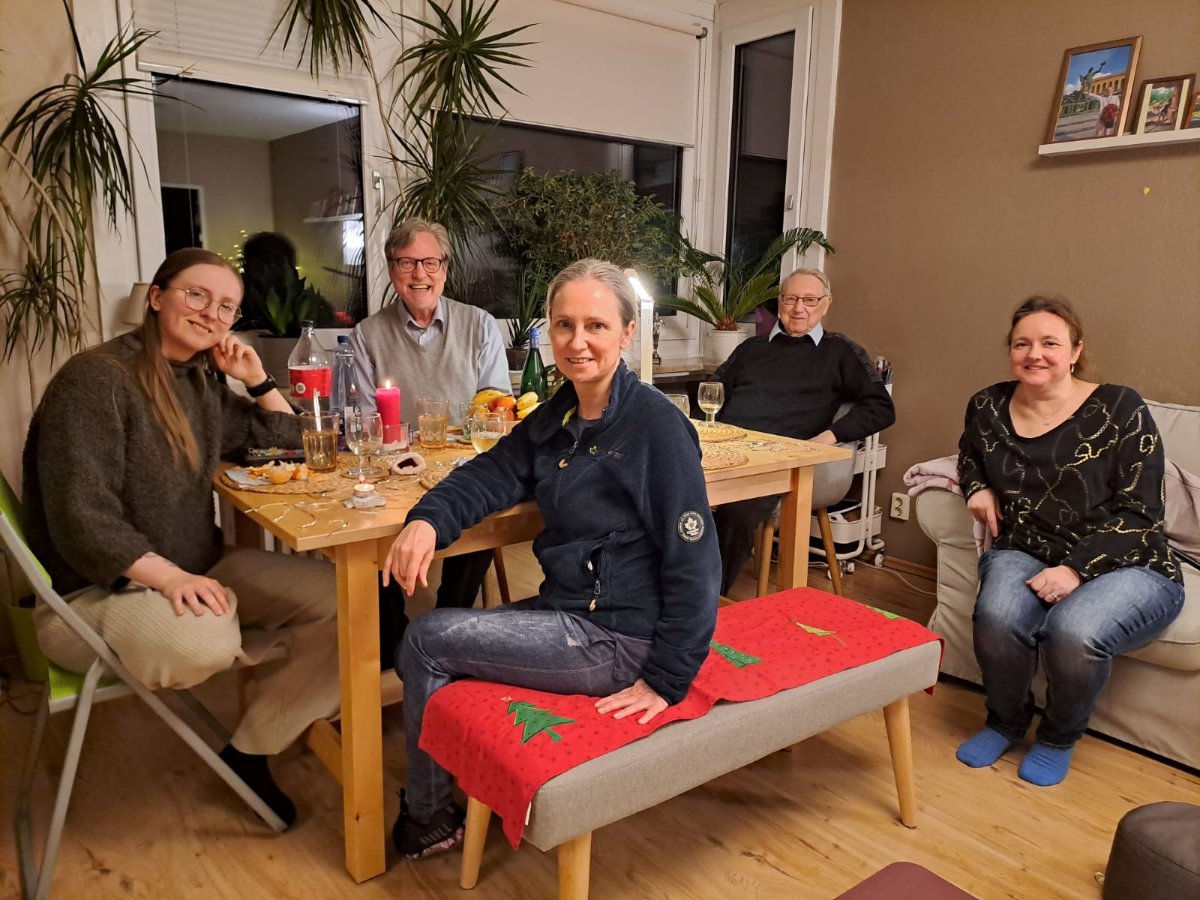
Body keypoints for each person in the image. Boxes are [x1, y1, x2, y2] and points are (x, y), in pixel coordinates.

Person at [382, 258, 721, 859]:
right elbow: (492, 471)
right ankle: (472, 781)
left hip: (619, 637)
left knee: (426, 640)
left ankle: (428, 815)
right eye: (564, 325)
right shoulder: (561, 413)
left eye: (596, 325)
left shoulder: (655, 428)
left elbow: (695, 561)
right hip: (571, 609)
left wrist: (667, 678)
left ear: (627, 333)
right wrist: (427, 519)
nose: (577, 341)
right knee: (440, 641)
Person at [23, 248, 340, 826]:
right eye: (197, 295)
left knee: (355, 605)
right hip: (91, 594)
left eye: (227, 307)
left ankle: (251, 750)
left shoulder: (198, 381)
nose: (211, 313)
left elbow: (292, 444)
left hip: (196, 568)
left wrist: (257, 380)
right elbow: (81, 519)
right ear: (156, 297)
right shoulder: (95, 380)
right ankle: (246, 639)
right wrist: (169, 579)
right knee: (205, 646)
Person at [955, 296, 1183, 786]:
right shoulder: (987, 405)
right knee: (996, 617)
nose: (1034, 354)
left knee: (1073, 632)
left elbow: (1143, 511)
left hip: (1130, 560)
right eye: (1022, 343)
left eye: (1050, 343)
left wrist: (1075, 570)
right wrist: (976, 487)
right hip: (1026, 545)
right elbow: (970, 453)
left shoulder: (1120, 407)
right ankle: (1005, 723)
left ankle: (1057, 738)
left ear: (1076, 351)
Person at [350, 219, 510, 641]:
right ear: (391, 269)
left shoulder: (479, 325)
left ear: (445, 268)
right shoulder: (367, 334)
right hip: (394, 472)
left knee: (482, 513)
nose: (419, 273)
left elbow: (497, 411)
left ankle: (446, 627)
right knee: (366, 526)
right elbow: (365, 422)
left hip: (464, 470)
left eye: (429, 262)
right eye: (406, 263)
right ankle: (392, 639)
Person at [710, 267, 895, 594]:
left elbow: (881, 407)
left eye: (809, 300)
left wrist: (828, 437)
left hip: (779, 463)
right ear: (780, 302)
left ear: (826, 304)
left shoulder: (840, 352)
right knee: (670, 488)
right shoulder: (752, 349)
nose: (798, 309)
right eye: (791, 299)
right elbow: (713, 392)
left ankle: (707, 599)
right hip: (727, 451)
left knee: (735, 508)